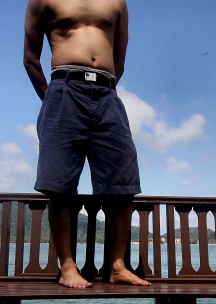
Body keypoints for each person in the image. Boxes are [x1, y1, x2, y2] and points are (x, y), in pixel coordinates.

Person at [23, 0, 150, 288]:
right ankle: (67, 267)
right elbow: (30, 57)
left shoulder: (118, 3)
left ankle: (117, 266)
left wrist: (101, 89)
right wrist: (54, 98)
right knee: (59, 184)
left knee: (124, 180)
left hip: (106, 93)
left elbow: (119, 60)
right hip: (64, 87)